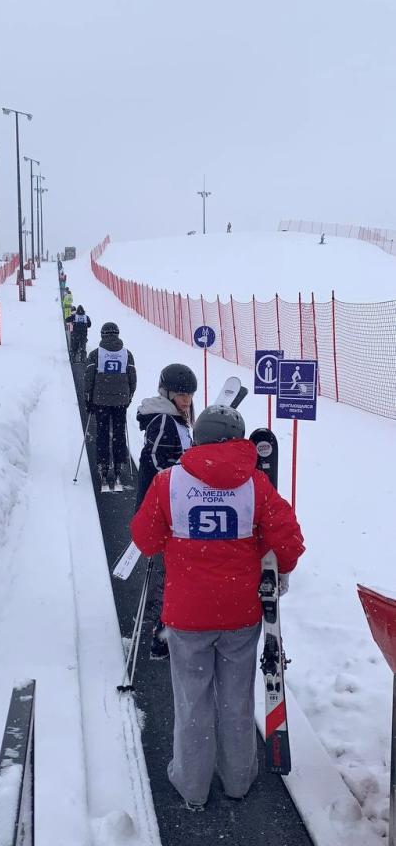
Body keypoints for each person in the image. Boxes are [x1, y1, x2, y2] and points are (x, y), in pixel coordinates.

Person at [131, 404, 304, 810]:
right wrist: (266, 554)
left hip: (187, 615)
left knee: (192, 698)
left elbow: (146, 541)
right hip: (240, 613)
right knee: (235, 697)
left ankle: (192, 783)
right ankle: (238, 779)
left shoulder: (168, 482)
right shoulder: (256, 484)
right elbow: (289, 541)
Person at [135, 363, 198, 659]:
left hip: (174, 508)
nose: (186, 400)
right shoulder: (163, 420)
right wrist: (189, 473)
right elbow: (158, 463)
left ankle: (164, 630)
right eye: (181, 394)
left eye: (189, 395)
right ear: (167, 393)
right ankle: (158, 634)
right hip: (163, 510)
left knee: (171, 572)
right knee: (166, 573)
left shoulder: (177, 418)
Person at [84, 322, 137, 488]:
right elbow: (132, 378)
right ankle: (119, 463)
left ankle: (103, 464)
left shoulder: (95, 354)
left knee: (102, 432)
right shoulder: (126, 354)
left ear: (102, 335)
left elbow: (88, 378)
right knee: (119, 432)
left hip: (100, 401)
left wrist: (88, 398)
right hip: (120, 401)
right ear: (117, 334)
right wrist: (129, 396)